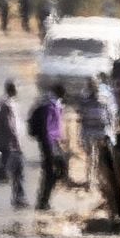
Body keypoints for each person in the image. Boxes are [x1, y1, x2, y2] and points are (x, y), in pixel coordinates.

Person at [0, 79, 28, 208]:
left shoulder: (9, 103)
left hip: (11, 145)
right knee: (3, 173)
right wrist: (17, 143)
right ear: (12, 89)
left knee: (18, 172)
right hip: (10, 146)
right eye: (16, 87)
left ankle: (19, 198)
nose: (18, 90)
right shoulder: (7, 105)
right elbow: (10, 126)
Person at [78, 75, 117, 194]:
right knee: (92, 158)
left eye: (94, 84)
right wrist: (82, 134)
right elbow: (82, 117)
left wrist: (112, 130)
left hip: (103, 132)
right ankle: (91, 182)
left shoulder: (106, 97)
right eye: (91, 84)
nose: (93, 86)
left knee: (103, 158)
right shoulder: (84, 99)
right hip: (90, 133)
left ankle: (103, 181)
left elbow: (112, 114)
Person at [33, 83, 67, 211]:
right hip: (49, 144)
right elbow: (47, 127)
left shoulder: (56, 104)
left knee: (57, 171)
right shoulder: (49, 106)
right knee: (51, 172)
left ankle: (44, 199)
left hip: (54, 143)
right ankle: (43, 201)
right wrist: (49, 147)